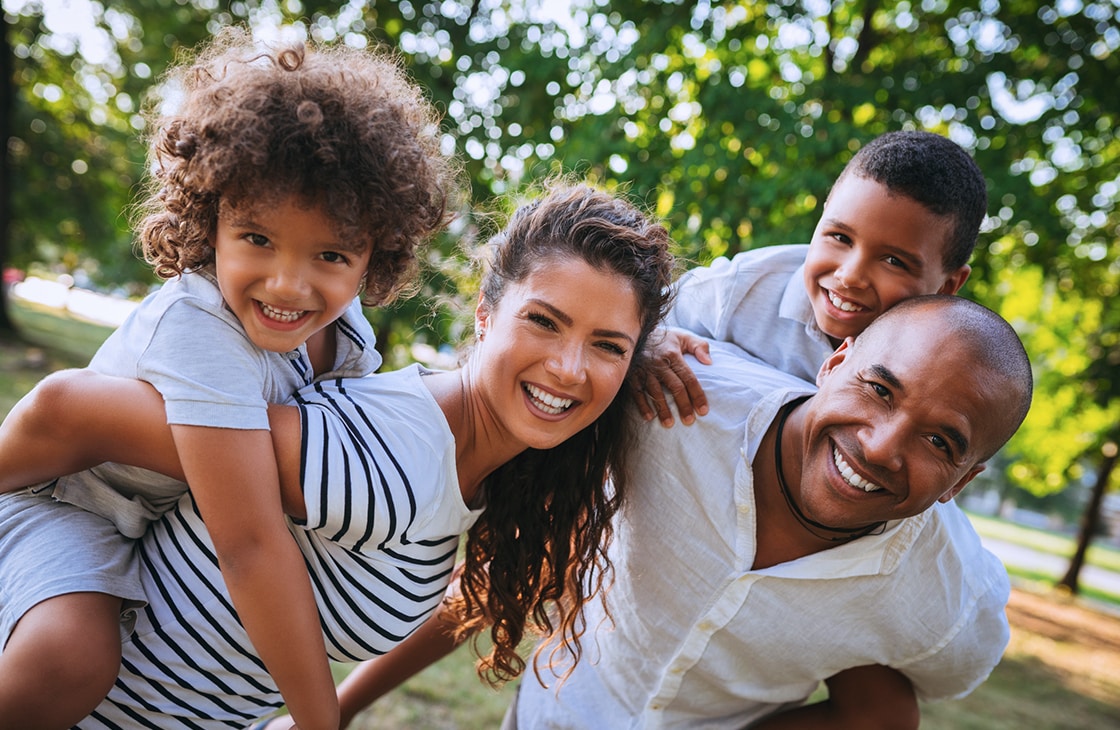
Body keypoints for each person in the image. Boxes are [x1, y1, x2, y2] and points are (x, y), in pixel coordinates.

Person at [0, 182, 676, 728]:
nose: (566, 366)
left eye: (607, 345)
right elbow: (73, 412)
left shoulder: (472, 465)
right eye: (545, 320)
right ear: (484, 313)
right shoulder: (395, 450)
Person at [0, 28, 456, 730]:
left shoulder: (349, 337)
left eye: (331, 254)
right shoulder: (201, 326)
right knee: (71, 656)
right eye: (258, 239)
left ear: (376, 255)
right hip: (67, 507)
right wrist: (317, 720)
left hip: (141, 537)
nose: (288, 284)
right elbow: (248, 545)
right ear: (210, 220)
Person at [330, 294, 1030, 728]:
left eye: (940, 442)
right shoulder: (675, 402)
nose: (881, 447)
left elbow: (886, 710)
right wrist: (337, 707)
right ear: (835, 360)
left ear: (961, 482)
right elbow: (516, 567)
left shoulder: (946, 596)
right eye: (879, 389)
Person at [636, 130, 985, 426]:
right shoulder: (739, 289)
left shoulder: (936, 368)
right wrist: (651, 339)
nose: (850, 276)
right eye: (840, 237)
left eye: (893, 261)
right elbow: (632, 325)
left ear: (948, 285)